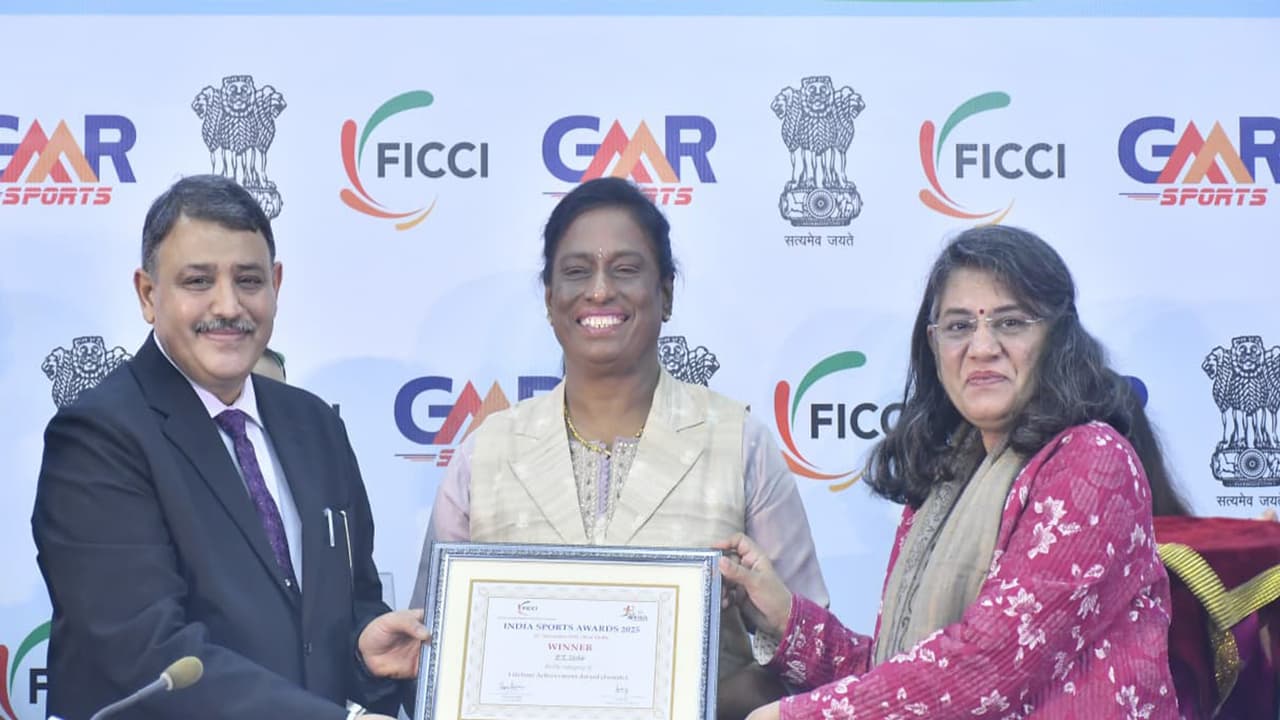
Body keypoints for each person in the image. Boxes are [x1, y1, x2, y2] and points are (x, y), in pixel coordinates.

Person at [718, 225, 1178, 718]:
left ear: (1057, 338)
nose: (982, 347)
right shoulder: (946, 479)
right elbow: (895, 675)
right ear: (933, 348)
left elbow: (989, 664)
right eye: (959, 326)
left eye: (1011, 323)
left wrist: (799, 717)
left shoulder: (1091, 460)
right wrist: (786, 617)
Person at [411, 177, 828, 719]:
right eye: (577, 271)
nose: (600, 291)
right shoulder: (485, 454)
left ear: (667, 292)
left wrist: (687, 705)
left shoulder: (737, 444)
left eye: (626, 269)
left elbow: (811, 653)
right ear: (550, 298)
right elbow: (431, 652)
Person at [32, 175, 428, 720]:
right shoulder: (98, 437)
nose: (229, 305)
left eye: (248, 279)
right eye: (198, 281)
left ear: (276, 285)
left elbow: (346, 602)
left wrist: (362, 650)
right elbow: (146, 655)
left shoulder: (314, 425)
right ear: (149, 295)